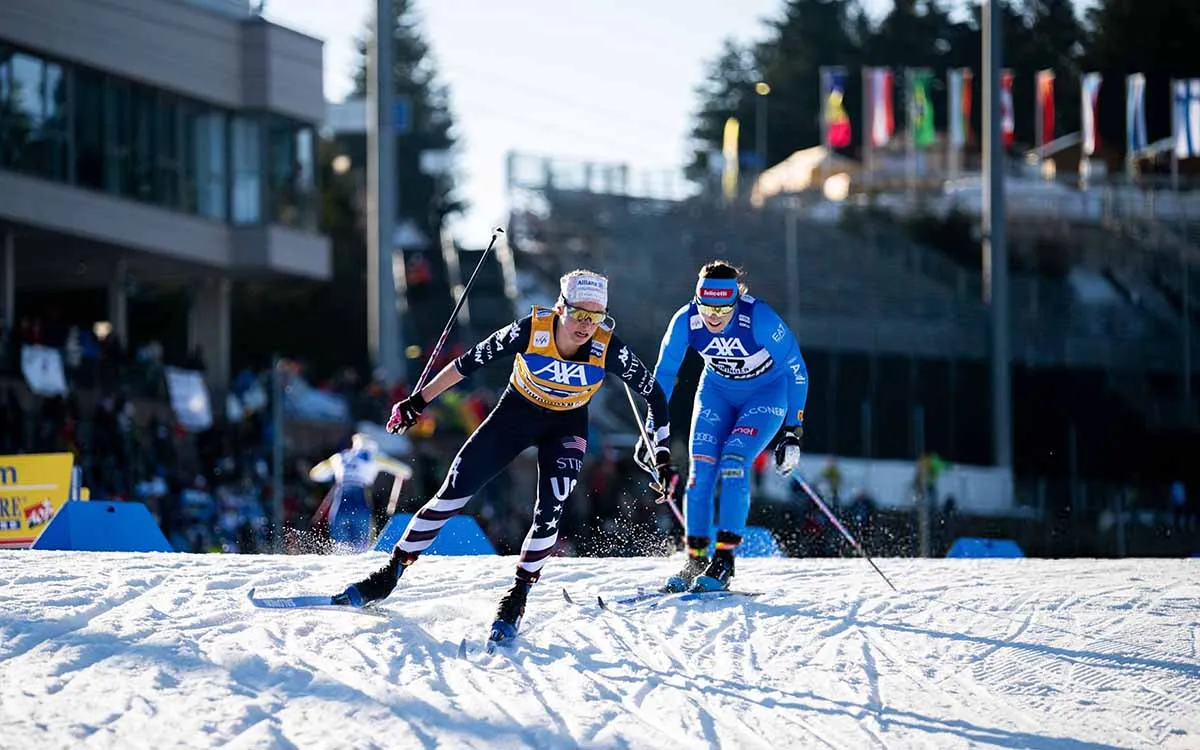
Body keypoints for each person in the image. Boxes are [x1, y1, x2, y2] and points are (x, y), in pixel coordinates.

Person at [334, 269, 678, 645]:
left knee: (550, 513)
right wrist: (418, 401)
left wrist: (661, 456)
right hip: (515, 416)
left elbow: (655, 395)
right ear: (560, 307)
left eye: (596, 318)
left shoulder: (609, 348)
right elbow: (467, 364)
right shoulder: (531, 330)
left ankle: (517, 598)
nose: (586, 326)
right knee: (452, 493)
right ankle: (389, 574)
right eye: (579, 314)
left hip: (566, 427)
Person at [651, 260, 808, 592]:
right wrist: (654, 426)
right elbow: (664, 374)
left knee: (734, 464)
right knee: (700, 473)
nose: (714, 316)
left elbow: (797, 370)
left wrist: (793, 431)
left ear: (737, 300)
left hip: (765, 395)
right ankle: (695, 558)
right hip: (716, 393)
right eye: (706, 306)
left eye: (724, 308)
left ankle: (724, 561)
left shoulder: (760, 319)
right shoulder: (685, 321)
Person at [308, 433, 413, 552]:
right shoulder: (374, 456)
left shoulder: (340, 457)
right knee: (361, 548)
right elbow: (406, 471)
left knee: (339, 548)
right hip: (361, 500)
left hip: (340, 502)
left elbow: (315, 474)